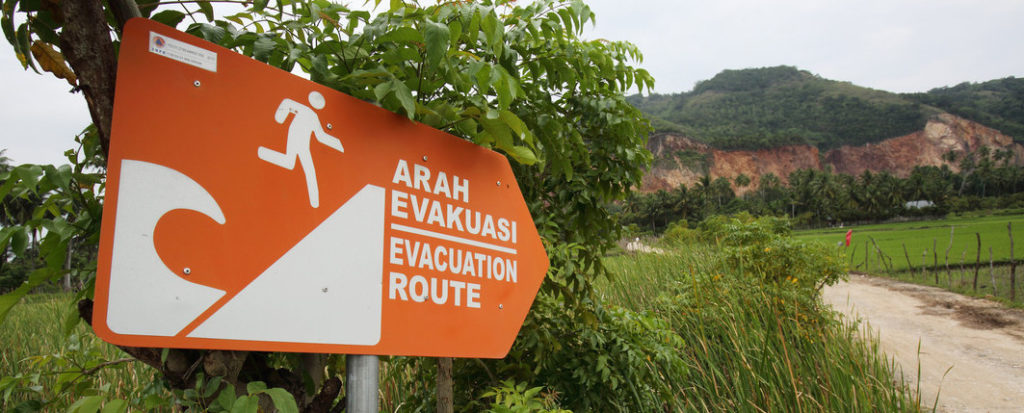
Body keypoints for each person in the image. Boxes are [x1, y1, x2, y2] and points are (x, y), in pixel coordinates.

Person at [258, 91, 344, 208]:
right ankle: (315, 203)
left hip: (303, 144)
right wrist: (280, 117)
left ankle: (262, 152)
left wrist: (339, 145)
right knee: (305, 168)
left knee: (290, 163)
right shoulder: (306, 111)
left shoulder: (313, 116)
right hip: (295, 140)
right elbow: (287, 103)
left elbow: (320, 136)